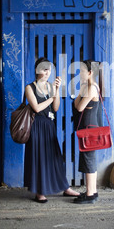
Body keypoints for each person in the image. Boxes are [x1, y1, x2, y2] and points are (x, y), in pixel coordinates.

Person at [24, 57, 80, 203]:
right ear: (37, 70)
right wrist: (52, 97)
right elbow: (36, 108)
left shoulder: (50, 87)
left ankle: (65, 187)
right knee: (38, 159)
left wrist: (56, 90)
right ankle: (39, 192)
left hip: (49, 125)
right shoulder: (29, 87)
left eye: (49, 69)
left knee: (55, 158)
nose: (48, 72)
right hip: (36, 126)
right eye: (44, 69)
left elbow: (55, 108)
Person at [73, 60, 104, 204]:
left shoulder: (91, 88)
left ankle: (91, 194)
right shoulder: (90, 86)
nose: (80, 74)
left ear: (90, 73)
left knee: (89, 160)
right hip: (90, 129)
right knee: (89, 159)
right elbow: (77, 104)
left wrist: (81, 93)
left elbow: (79, 107)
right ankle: (92, 191)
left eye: (82, 71)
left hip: (89, 130)